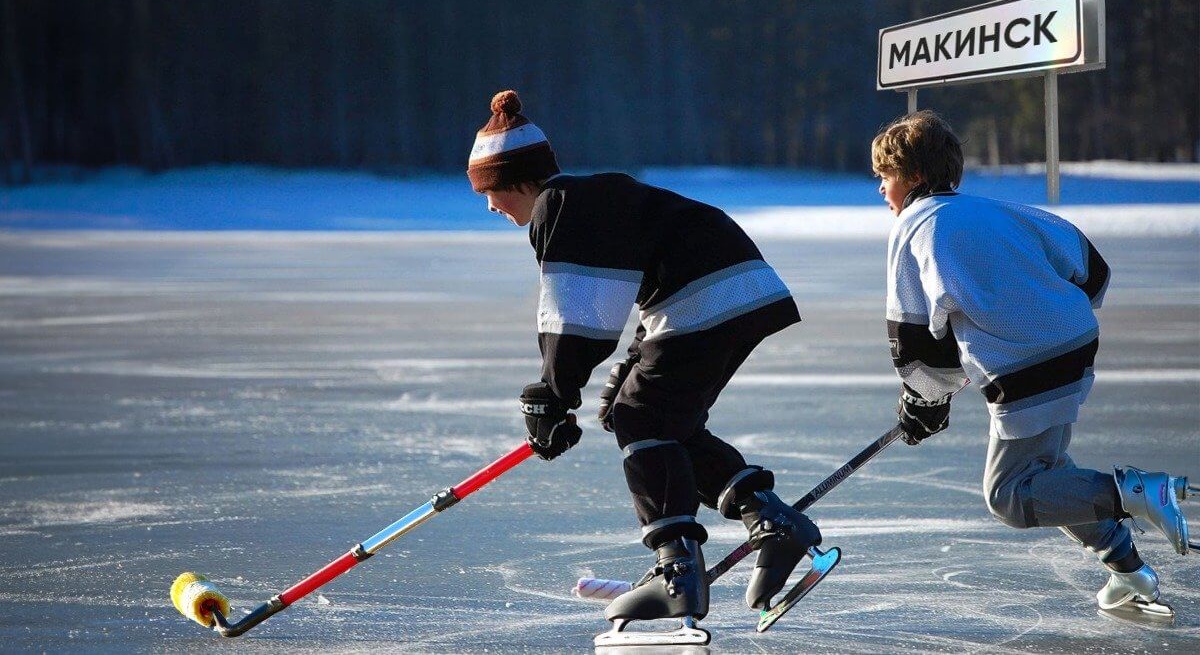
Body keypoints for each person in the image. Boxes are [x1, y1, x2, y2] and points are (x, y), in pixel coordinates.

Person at [467, 89, 821, 644]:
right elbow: (630, 282)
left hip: (707, 296)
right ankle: (772, 522)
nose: (489, 207)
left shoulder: (558, 207)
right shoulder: (583, 199)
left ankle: (678, 571)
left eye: (489, 192)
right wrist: (620, 370)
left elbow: (575, 314)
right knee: (656, 417)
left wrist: (552, 396)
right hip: (734, 290)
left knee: (642, 419)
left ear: (517, 182)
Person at [873, 109, 1195, 625]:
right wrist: (1047, 312)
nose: (881, 191)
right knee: (1045, 471)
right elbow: (1093, 272)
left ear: (911, 177)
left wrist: (924, 402)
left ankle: (1136, 493)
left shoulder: (913, 226)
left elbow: (914, 341)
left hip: (1025, 366)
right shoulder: (1002, 209)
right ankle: (1127, 569)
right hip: (1071, 345)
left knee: (1011, 495)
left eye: (884, 177)